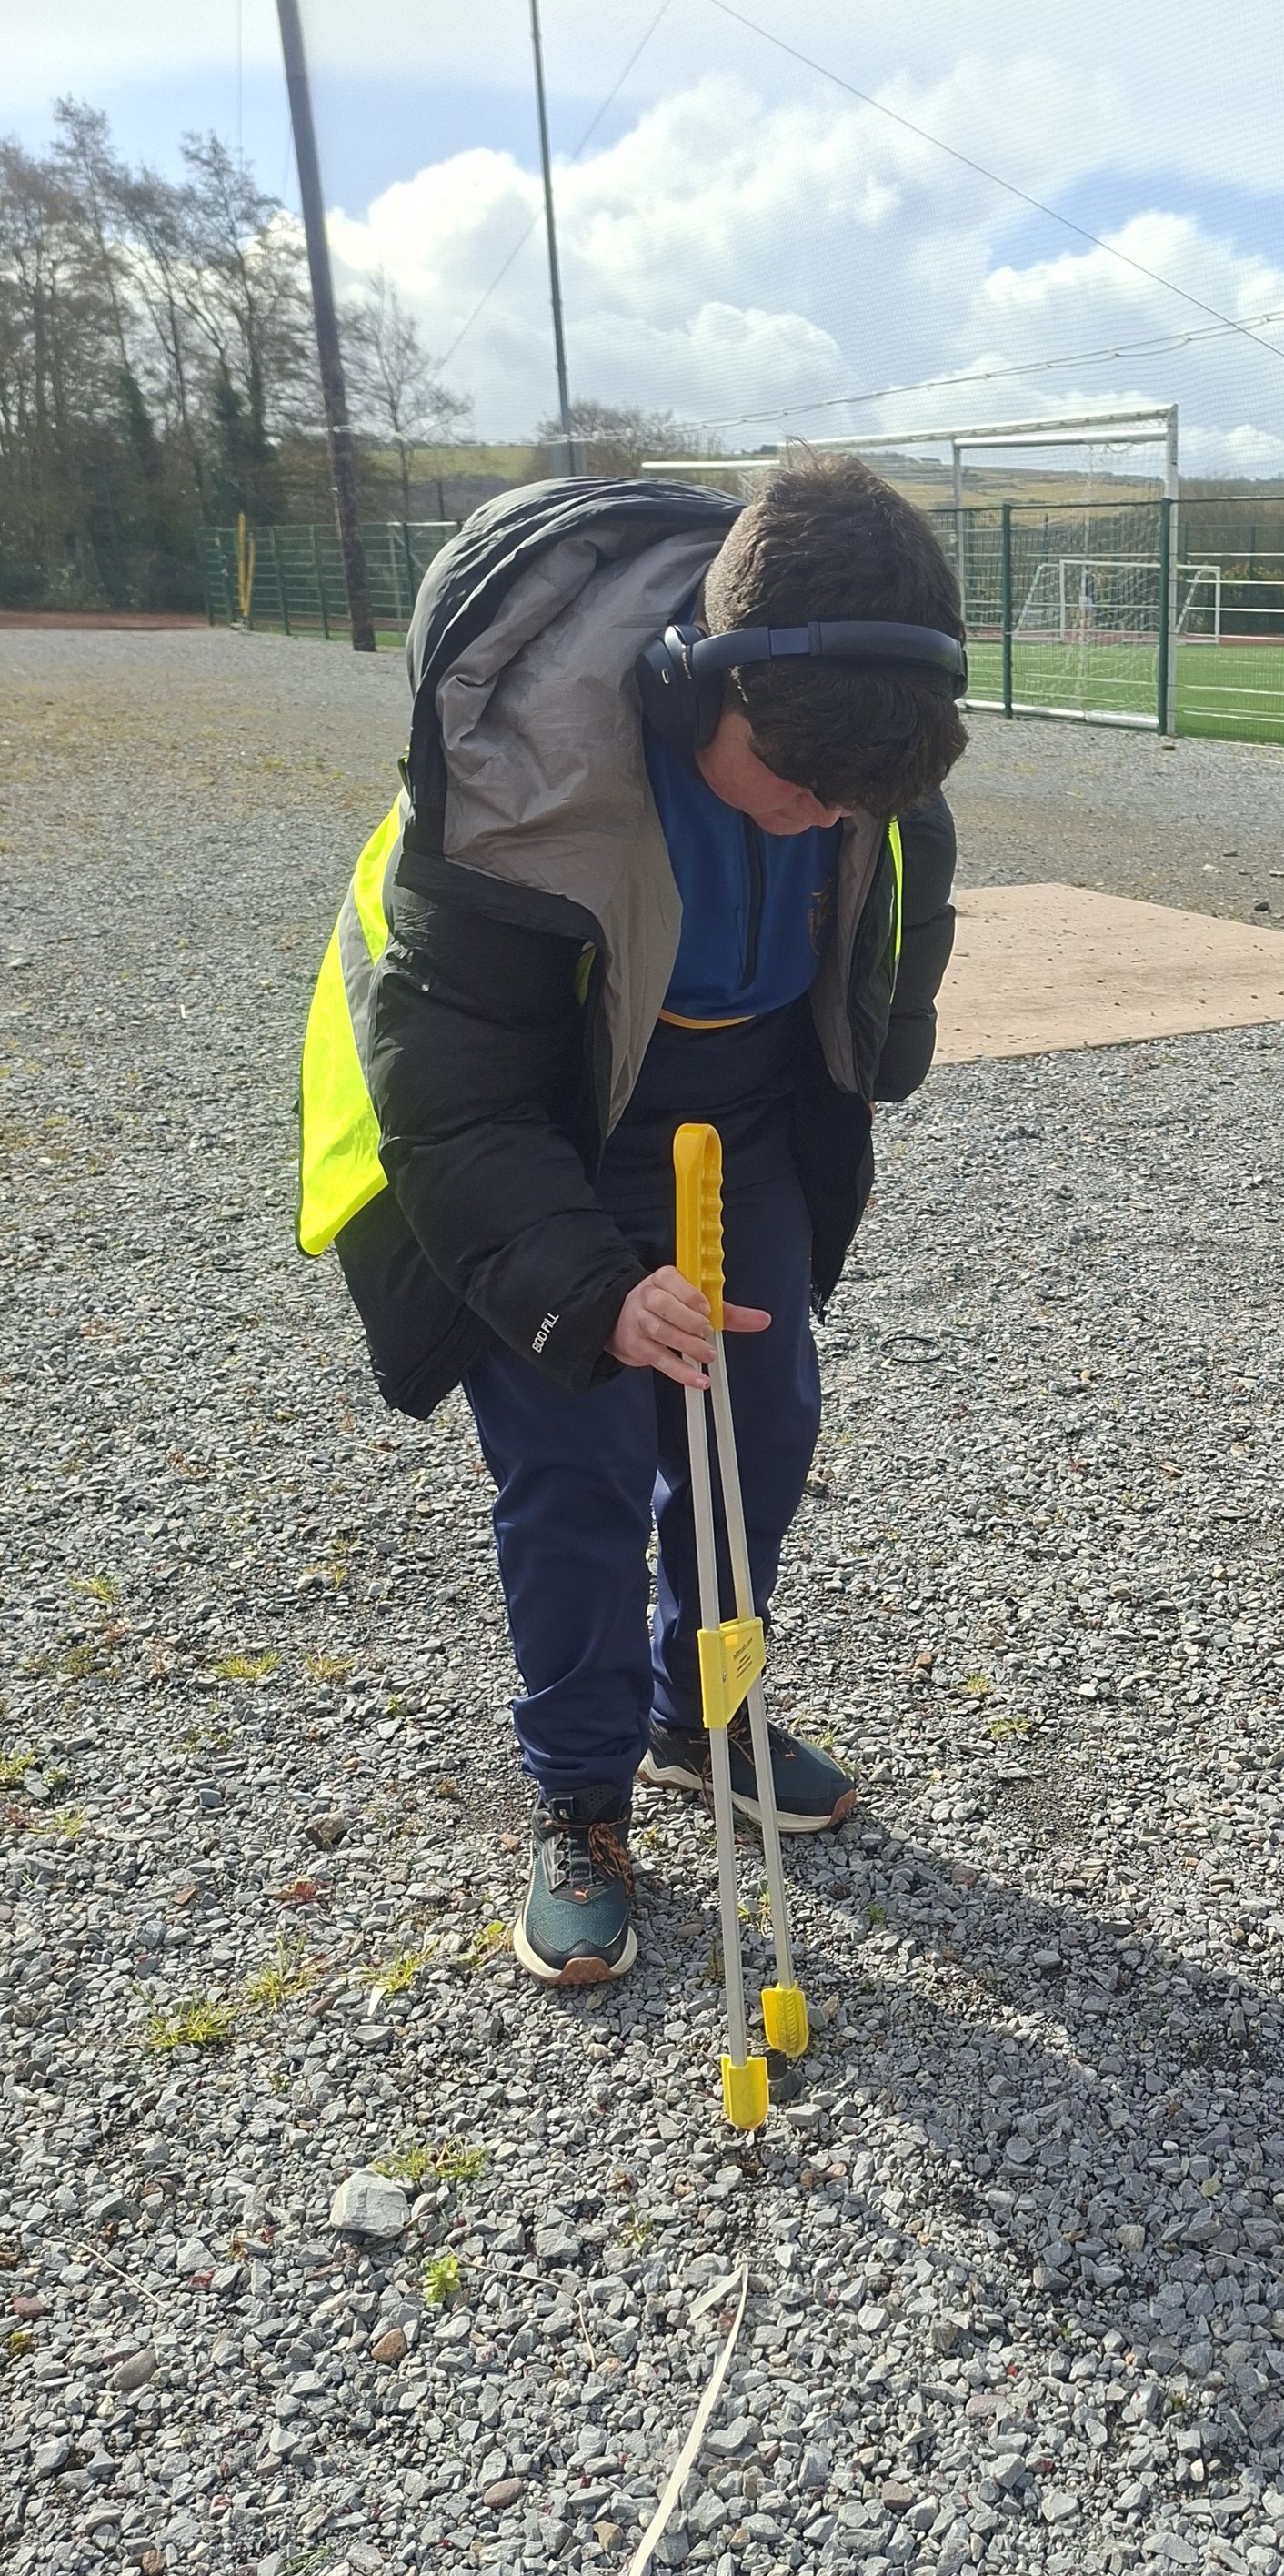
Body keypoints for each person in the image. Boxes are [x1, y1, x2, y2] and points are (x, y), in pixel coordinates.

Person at [296, 456, 967, 1983]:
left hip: (744, 1125)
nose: (814, 828)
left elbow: (899, 906)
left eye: (849, 808)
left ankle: (700, 1722)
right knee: (578, 1465)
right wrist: (591, 1292)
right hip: (551, 1126)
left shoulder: (861, 752)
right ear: (690, 689)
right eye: (790, 791)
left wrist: (887, 1018)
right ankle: (581, 1801)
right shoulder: (518, 772)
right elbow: (455, 1101)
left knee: (764, 1419)